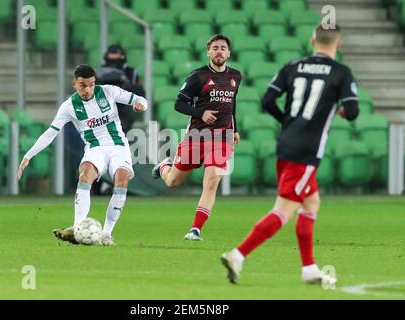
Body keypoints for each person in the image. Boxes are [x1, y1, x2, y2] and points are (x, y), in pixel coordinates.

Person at [221, 24, 359, 285]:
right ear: (338, 45)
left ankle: (309, 269)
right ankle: (238, 255)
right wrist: (340, 111)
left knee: (311, 202)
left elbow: (266, 100)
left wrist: (287, 122)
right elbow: (352, 111)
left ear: (312, 40)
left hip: (285, 144)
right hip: (307, 151)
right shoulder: (341, 72)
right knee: (283, 210)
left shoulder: (292, 66)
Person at [17, 64, 148, 246]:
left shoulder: (108, 92)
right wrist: (28, 156)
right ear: (75, 84)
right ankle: (78, 227)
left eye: (91, 85)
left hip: (118, 146)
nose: (87, 89)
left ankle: (107, 234)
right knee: (85, 175)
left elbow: (139, 98)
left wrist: (141, 104)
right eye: (82, 85)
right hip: (95, 149)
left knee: (122, 181)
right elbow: (51, 133)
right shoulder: (69, 106)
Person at [152, 34, 242, 241]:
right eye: (215, 48)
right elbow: (179, 104)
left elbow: (231, 104)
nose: (219, 51)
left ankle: (195, 229)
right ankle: (164, 167)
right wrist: (200, 113)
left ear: (229, 53)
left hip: (222, 138)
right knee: (172, 181)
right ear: (208, 52)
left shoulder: (236, 76)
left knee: (211, 182)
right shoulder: (198, 76)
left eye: (223, 48)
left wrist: (234, 128)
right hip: (197, 136)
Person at [95, 44, 145, 134]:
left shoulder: (131, 72)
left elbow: (140, 92)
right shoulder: (98, 72)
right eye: (112, 52)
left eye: (116, 52)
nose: (114, 55)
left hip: (124, 114)